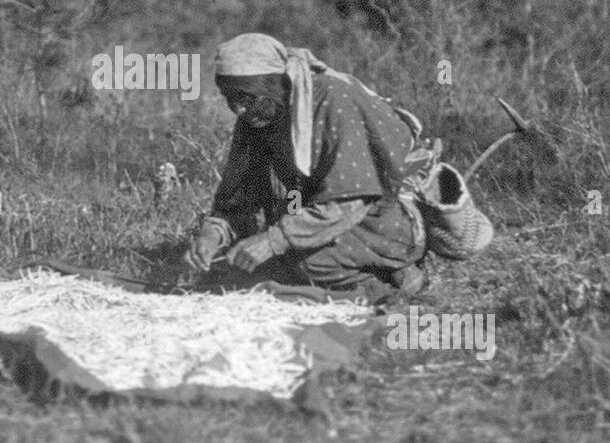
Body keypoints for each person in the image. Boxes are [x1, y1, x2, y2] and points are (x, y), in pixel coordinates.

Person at [183, 32, 430, 298]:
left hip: (383, 216)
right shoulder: (256, 116)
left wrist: (274, 240)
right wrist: (211, 236)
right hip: (314, 208)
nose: (238, 110)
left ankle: (387, 278)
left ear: (274, 84)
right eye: (230, 99)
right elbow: (239, 199)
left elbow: (351, 201)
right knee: (263, 260)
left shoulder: (333, 98)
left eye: (246, 98)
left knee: (304, 262)